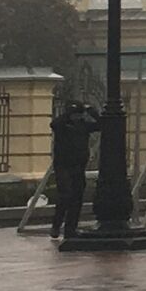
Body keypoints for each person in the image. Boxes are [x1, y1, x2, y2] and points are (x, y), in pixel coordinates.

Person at [48, 99, 96, 240]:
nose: (76, 117)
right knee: (65, 194)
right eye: (74, 114)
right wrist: (68, 114)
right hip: (63, 165)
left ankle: (70, 229)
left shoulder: (84, 126)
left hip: (79, 166)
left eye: (78, 114)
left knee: (77, 197)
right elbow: (54, 124)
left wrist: (92, 111)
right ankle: (56, 225)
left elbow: (103, 125)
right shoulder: (62, 125)